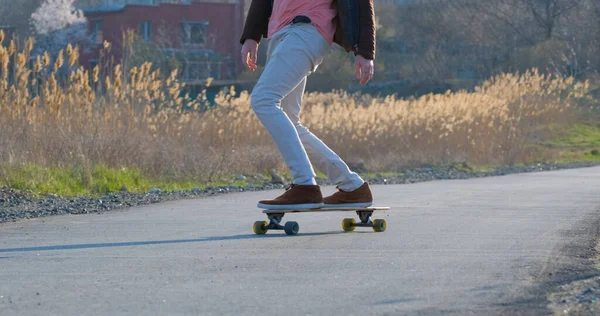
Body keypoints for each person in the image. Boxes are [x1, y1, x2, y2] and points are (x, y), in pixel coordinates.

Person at [239, 0, 376, 210]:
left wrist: (365, 51)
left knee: (264, 99)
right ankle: (352, 187)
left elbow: (362, 4)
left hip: (307, 29)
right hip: (281, 32)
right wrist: (251, 35)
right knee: (290, 120)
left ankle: (305, 184)